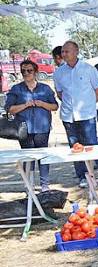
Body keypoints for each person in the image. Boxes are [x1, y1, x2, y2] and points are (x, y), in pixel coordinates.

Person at [53, 41, 98, 188]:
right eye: (63, 52)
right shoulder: (58, 72)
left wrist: (91, 105)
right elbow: (60, 93)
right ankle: (83, 176)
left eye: (67, 51)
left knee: (93, 145)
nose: (64, 54)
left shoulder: (88, 69)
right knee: (75, 147)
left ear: (76, 52)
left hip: (87, 115)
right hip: (68, 116)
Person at [4, 60, 58, 192]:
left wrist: (41, 104)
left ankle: (45, 185)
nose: (26, 73)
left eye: (29, 70)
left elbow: (55, 106)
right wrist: (25, 105)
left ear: (36, 72)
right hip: (23, 128)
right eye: (23, 71)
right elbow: (9, 109)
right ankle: (29, 185)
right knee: (28, 157)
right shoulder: (16, 89)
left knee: (43, 156)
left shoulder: (45, 88)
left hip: (42, 128)